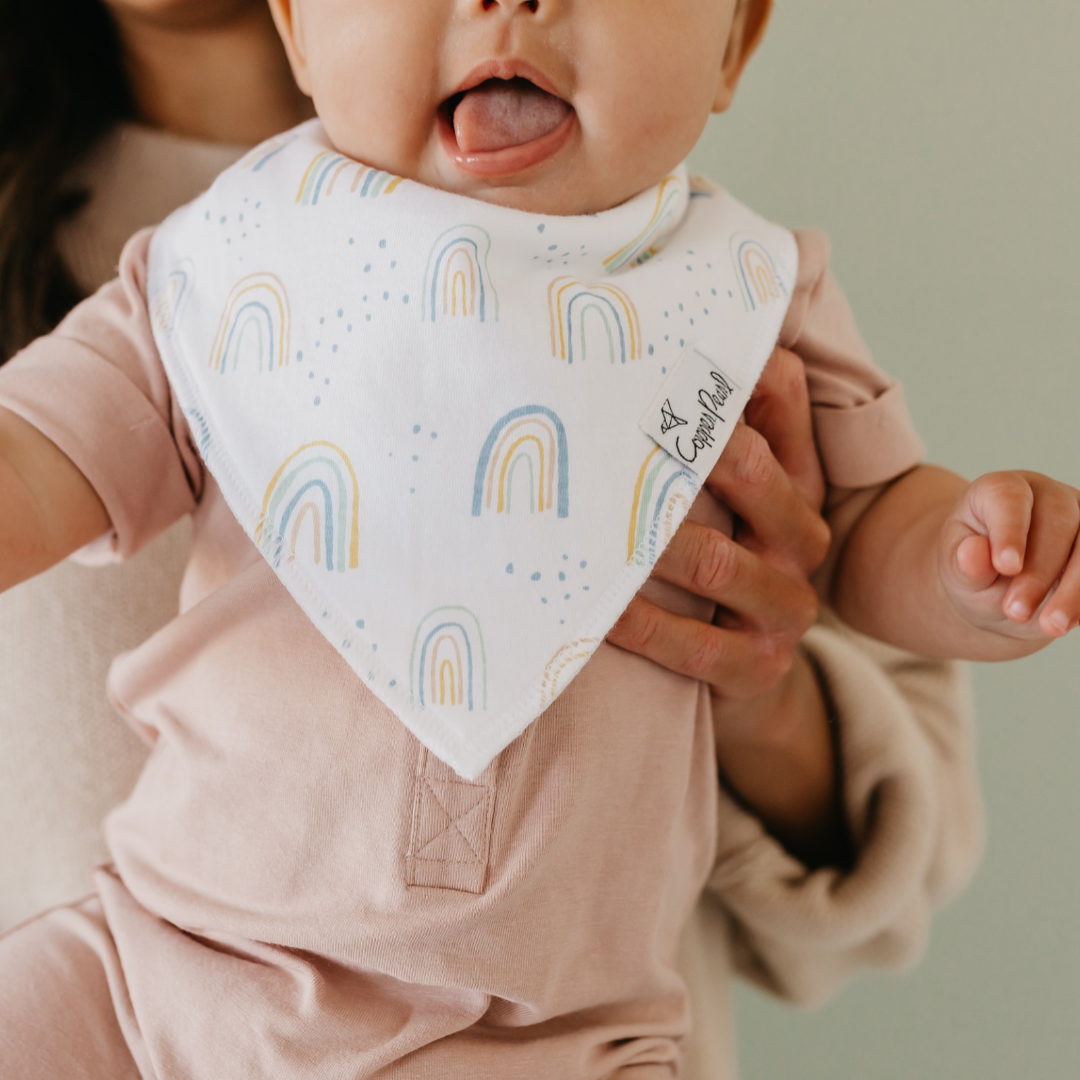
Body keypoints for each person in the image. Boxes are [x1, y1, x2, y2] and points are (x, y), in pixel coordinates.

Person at [0, 1, 988, 1077]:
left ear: (736, 42)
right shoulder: (214, 268)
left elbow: (887, 530)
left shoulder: (720, 291)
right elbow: (32, 464)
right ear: (300, 28)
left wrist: (961, 561)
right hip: (158, 976)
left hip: (531, 1039)